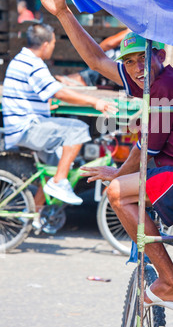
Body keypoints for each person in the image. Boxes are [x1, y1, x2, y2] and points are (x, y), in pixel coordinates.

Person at [32, 0, 173, 320]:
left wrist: (118, 175)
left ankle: (170, 283)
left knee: (118, 193)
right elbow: (97, 61)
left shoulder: (165, 87)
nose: (135, 69)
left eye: (142, 59)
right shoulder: (154, 79)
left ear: (160, 56)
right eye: (130, 62)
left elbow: (144, 150)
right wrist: (62, 13)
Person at [2, 23, 117, 210]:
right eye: (54, 42)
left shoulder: (23, 59)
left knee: (55, 167)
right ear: (46, 44)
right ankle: (59, 182)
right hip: (27, 127)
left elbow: (42, 92)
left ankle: (33, 216)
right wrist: (93, 102)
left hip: (26, 124)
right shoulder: (33, 63)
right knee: (77, 129)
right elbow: (59, 92)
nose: (54, 47)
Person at [55, 28, 129, 87]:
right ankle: (82, 78)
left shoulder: (135, 32)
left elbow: (106, 45)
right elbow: (103, 47)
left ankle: (83, 79)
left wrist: (129, 32)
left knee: (113, 55)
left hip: (129, 81)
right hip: (128, 79)